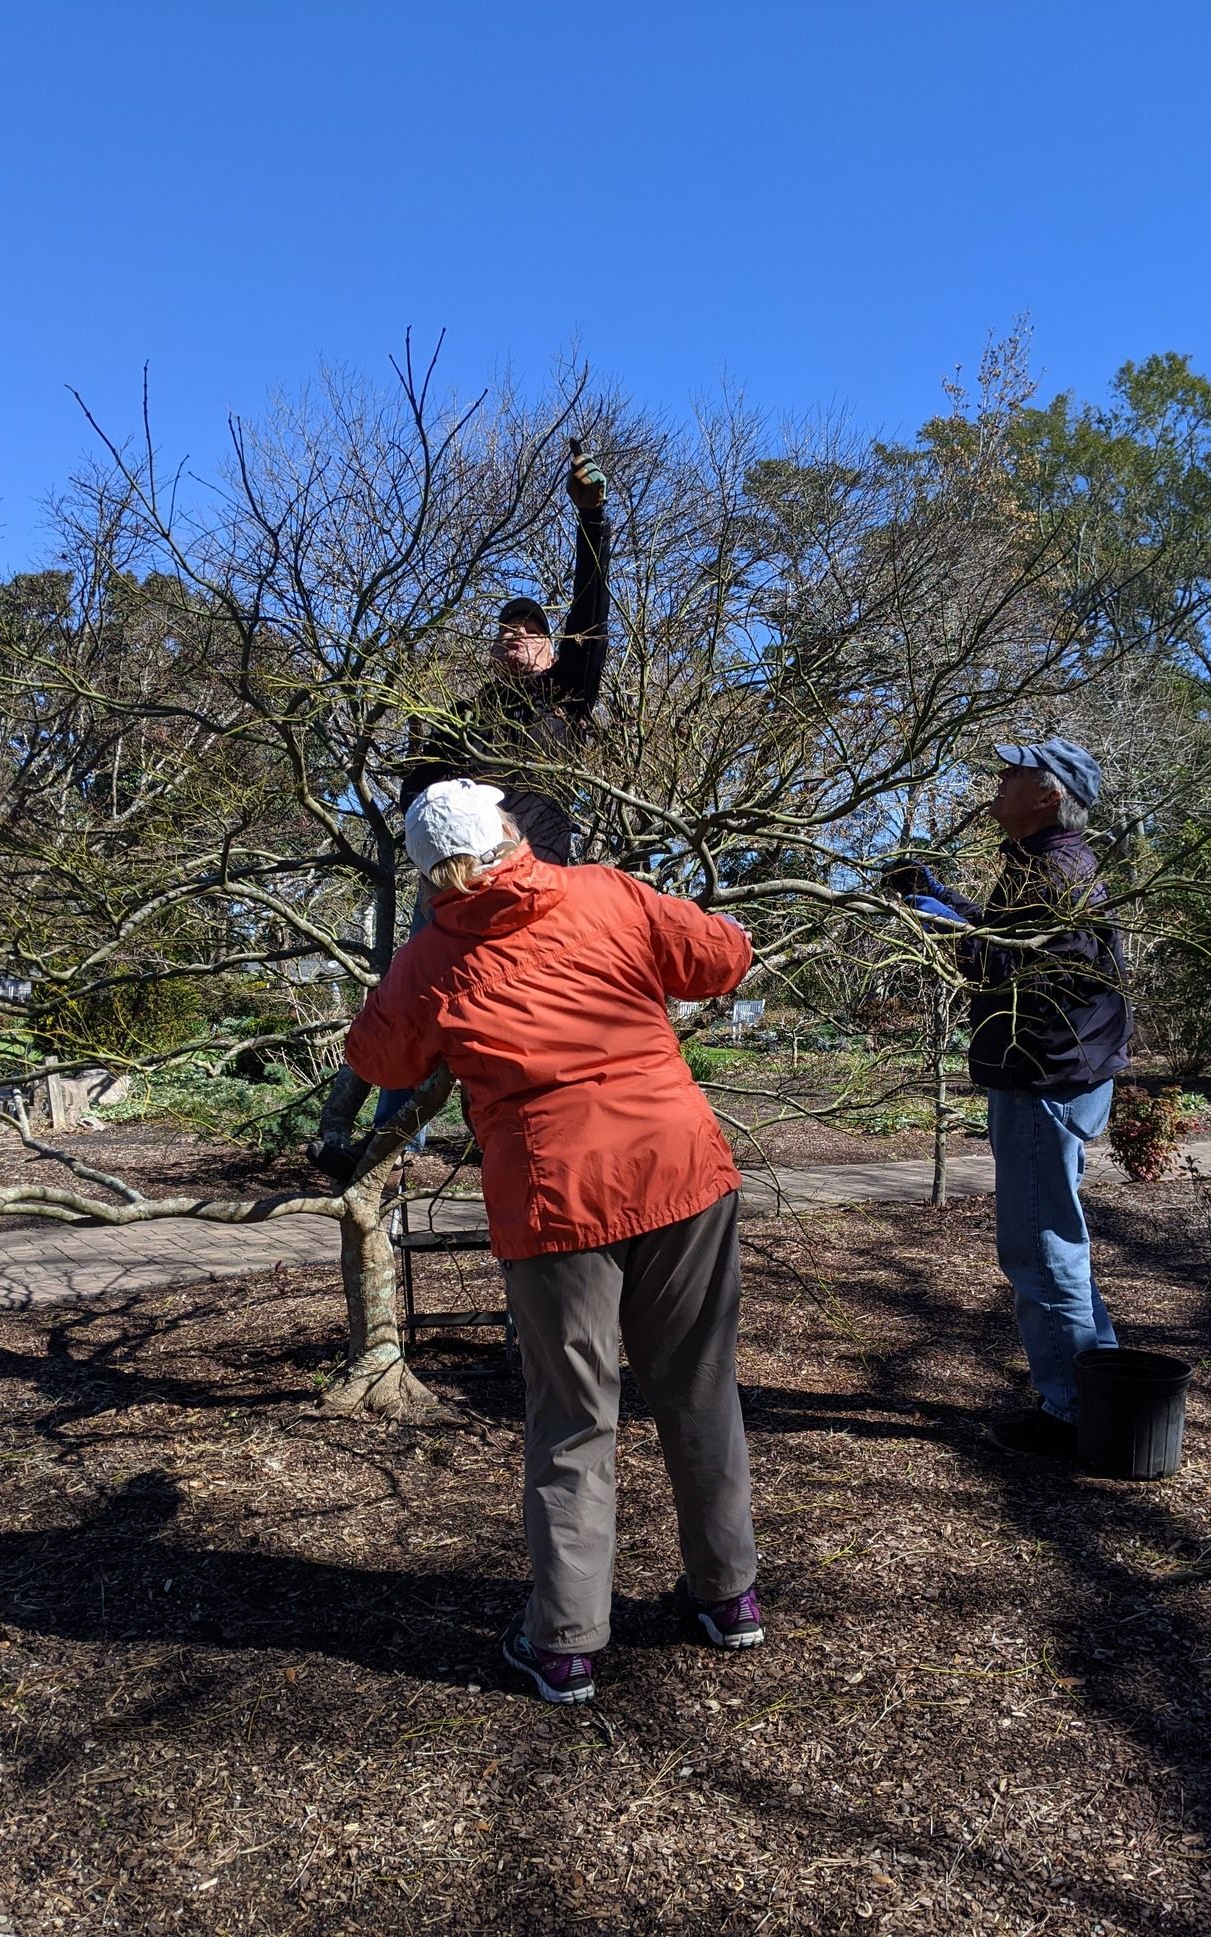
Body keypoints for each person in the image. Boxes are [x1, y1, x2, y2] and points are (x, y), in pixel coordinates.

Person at [341, 778, 762, 1704]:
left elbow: (376, 1059)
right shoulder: (607, 890)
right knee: (697, 1387)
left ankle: (567, 1642)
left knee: (573, 1416)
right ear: (507, 832)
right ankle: (729, 1597)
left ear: (426, 872)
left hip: (553, 1196)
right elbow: (722, 957)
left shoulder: (428, 962)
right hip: (677, 1165)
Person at [886, 739, 1133, 1459]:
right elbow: (1011, 943)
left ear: (1048, 796)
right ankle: (1101, 1383)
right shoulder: (1044, 863)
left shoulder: (1058, 870)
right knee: (1058, 1238)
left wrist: (942, 922)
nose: (997, 782)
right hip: (1059, 1074)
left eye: (1012, 773)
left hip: (1045, 1080)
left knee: (1040, 1245)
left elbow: (1015, 969)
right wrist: (937, 895)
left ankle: (1070, 1411)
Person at [373, 439, 611, 1141]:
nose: (517, 637)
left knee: (540, 1013)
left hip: (539, 884)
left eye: (533, 630)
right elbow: (416, 793)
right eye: (506, 630)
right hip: (458, 883)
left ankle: (525, 1132)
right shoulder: (460, 719)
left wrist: (592, 520)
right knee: (416, 997)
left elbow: (591, 613)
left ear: (551, 647)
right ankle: (395, 1141)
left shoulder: (566, 694)